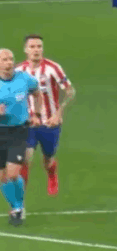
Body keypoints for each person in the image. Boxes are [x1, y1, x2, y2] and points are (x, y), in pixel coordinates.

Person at [15, 34, 76, 195]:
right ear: (26, 49)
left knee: (48, 159)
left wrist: (58, 113)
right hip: (28, 122)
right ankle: (20, 195)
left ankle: (52, 174)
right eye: (32, 47)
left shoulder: (52, 68)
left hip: (50, 122)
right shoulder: (18, 71)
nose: (36, 50)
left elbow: (70, 91)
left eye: (39, 46)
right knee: (25, 158)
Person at [0, 48, 40, 226]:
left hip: (18, 131)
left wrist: (36, 114)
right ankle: (16, 206)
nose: (9, 63)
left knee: (13, 174)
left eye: (11, 59)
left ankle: (18, 207)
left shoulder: (24, 78)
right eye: (4, 60)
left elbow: (37, 92)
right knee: (2, 177)